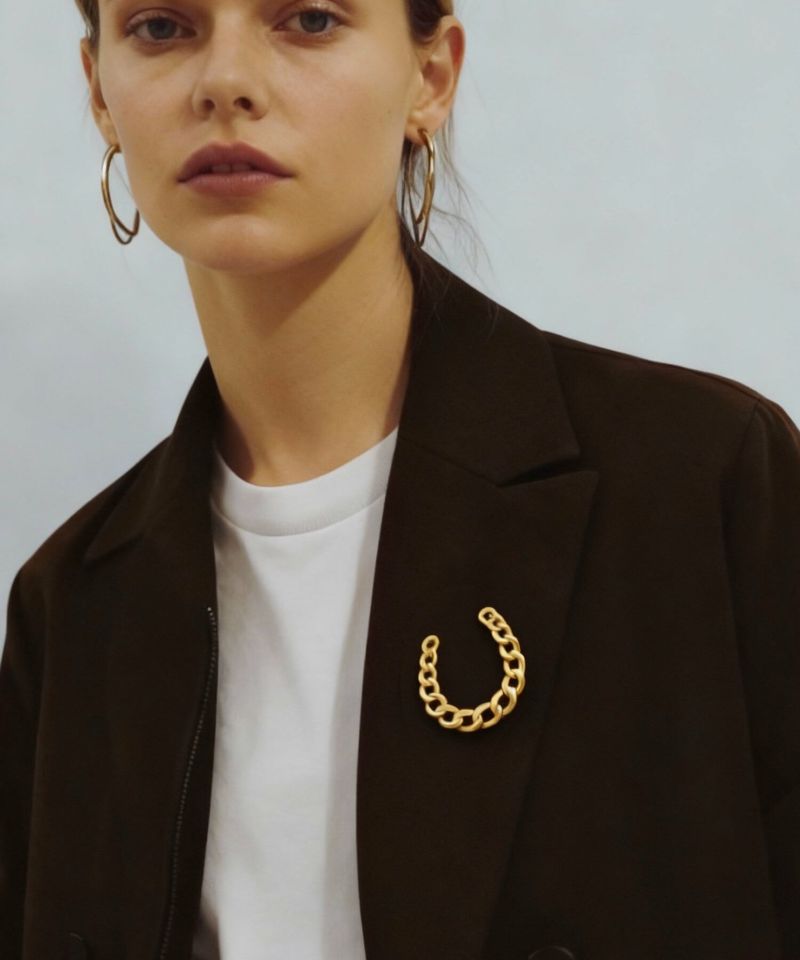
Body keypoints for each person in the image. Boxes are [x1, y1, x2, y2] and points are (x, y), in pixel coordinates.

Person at [1, 0, 798, 958]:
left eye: (307, 19)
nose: (226, 82)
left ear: (432, 75)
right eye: (162, 29)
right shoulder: (71, 610)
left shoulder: (699, 483)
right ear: (98, 90)